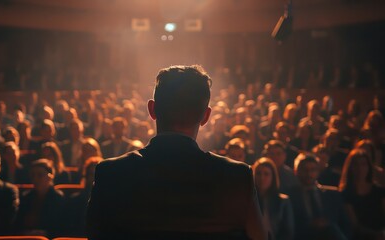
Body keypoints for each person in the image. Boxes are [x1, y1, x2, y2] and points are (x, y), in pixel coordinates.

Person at [87, 65, 266, 240]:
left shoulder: (111, 173)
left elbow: (94, 234)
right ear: (206, 116)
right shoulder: (236, 177)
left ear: (152, 109)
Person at [288, 153, 349, 240]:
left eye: (313, 170)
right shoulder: (289, 196)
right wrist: (310, 224)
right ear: (296, 171)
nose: (309, 174)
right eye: (305, 170)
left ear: (318, 171)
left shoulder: (332, 195)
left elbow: (345, 224)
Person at [339, 149, 385, 240]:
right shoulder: (346, 193)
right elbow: (355, 225)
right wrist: (375, 235)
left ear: (369, 167)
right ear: (350, 168)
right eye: (356, 165)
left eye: (363, 164)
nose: (360, 169)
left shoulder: (379, 191)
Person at [15, 159, 65, 238]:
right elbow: (18, 224)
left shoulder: (58, 198)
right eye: (33, 175)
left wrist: (45, 233)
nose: (35, 179)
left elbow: (61, 226)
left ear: (50, 177)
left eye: (40, 175)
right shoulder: (26, 197)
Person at [253, 157, 294, 240]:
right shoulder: (249, 200)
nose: (262, 178)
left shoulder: (283, 201)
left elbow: (288, 232)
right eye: (258, 173)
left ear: (273, 177)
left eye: (266, 174)